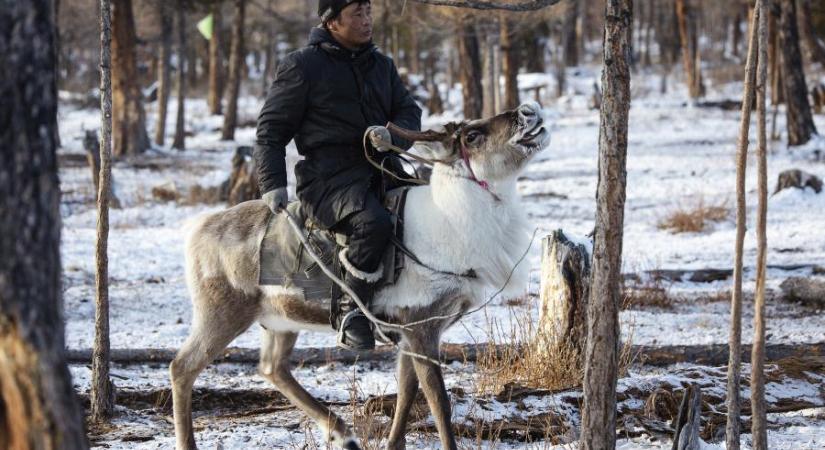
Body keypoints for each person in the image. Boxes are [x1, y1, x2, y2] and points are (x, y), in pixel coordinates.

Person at [254, 0, 422, 351]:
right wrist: (272, 183)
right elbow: (270, 131)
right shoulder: (302, 66)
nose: (366, 21)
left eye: (368, 12)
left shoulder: (382, 65)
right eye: (356, 14)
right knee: (372, 223)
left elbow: (408, 110)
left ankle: (398, 305)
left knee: (423, 211)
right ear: (332, 23)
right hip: (328, 179)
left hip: (383, 170)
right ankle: (353, 312)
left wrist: (393, 134)